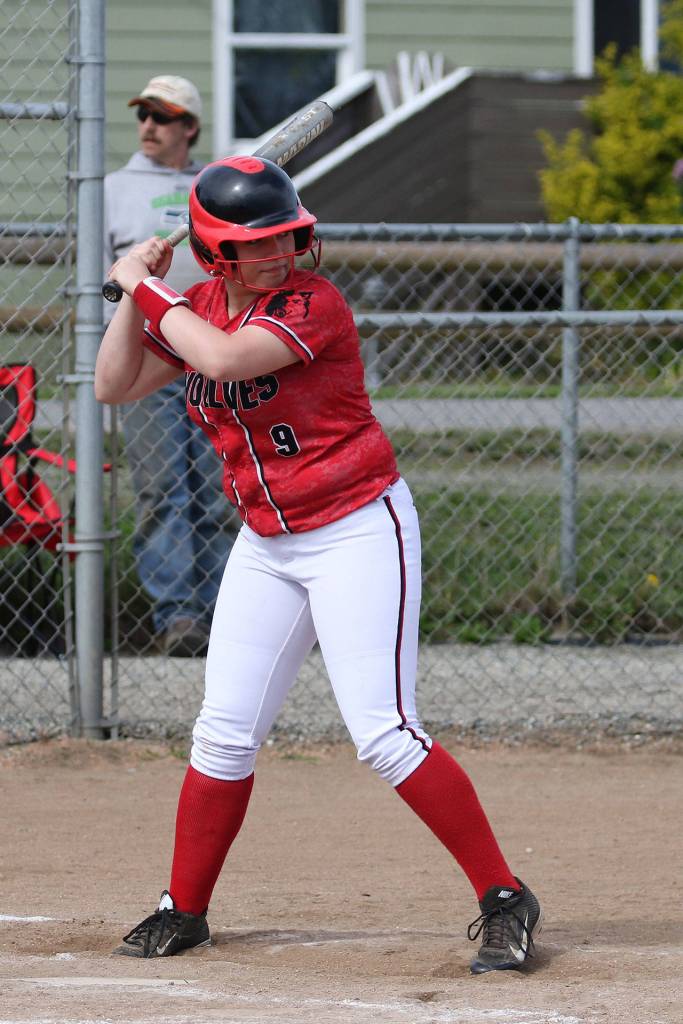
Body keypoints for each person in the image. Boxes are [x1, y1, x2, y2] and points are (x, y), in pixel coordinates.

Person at [95, 156, 542, 974]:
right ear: (216, 254)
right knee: (223, 733)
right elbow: (114, 385)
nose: (280, 254)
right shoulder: (190, 305)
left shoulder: (314, 303)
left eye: (287, 238)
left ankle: (504, 896)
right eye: (258, 245)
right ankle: (183, 908)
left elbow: (226, 361)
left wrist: (141, 284)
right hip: (267, 543)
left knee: (383, 733)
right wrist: (135, 293)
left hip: (356, 529)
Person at [104, 74, 235, 656]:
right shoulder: (112, 187)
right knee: (162, 489)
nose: (150, 126)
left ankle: (225, 611)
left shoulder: (211, 187)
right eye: (144, 115)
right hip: (146, 361)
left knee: (217, 490)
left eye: (164, 116)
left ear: (190, 127)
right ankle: (178, 615)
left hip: (212, 355)